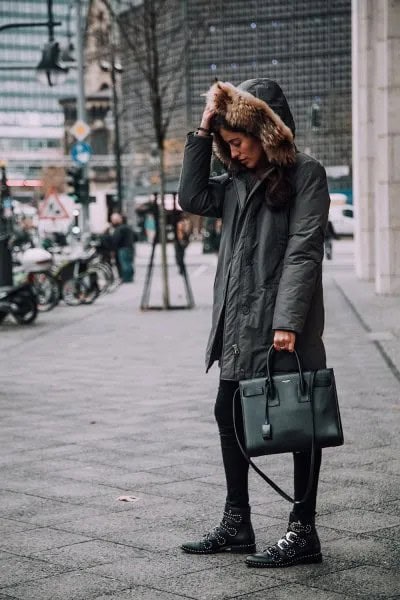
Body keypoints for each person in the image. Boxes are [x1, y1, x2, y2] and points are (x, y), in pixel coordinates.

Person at [178, 79, 331, 568]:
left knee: (299, 420)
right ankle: (237, 521)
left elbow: (304, 250)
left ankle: (302, 529)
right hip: (238, 322)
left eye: (236, 142)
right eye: (225, 144)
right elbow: (189, 196)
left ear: (264, 132)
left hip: (283, 325)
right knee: (229, 414)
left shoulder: (307, 174)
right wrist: (205, 128)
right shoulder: (233, 183)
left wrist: (286, 321)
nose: (232, 152)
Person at [110, 213, 135, 283]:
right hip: (130, 247)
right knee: (129, 263)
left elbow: (116, 239)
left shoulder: (119, 229)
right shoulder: (128, 227)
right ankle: (130, 277)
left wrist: (113, 247)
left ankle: (126, 278)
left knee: (125, 263)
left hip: (123, 247)